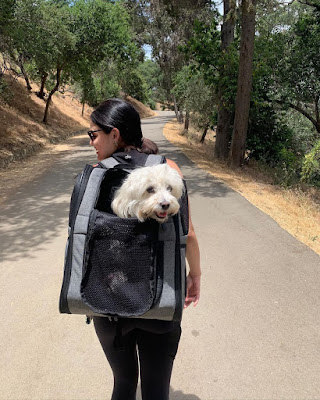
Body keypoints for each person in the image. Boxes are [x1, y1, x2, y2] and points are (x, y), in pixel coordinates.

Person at [88, 98, 201, 400]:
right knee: (155, 390)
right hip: (160, 298)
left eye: (93, 134)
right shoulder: (168, 168)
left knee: (124, 383)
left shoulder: (93, 177)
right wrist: (195, 275)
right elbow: (188, 233)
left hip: (107, 300)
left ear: (114, 134)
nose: (91, 142)